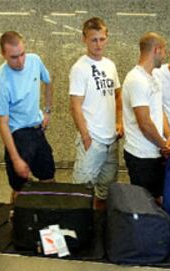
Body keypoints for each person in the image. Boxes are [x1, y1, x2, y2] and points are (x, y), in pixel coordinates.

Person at [0, 31, 55, 202]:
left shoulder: (34, 60)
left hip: (37, 130)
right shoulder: (1, 82)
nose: (20, 62)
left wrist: (47, 110)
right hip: (18, 136)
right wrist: (16, 159)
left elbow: (48, 81)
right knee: (20, 190)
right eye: (13, 57)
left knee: (49, 180)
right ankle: (16, 218)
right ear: (3, 54)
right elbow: (3, 124)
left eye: (22, 54)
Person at [69, 17, 122, 209]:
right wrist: (85, 136)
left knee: (105, 192)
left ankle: (99, 227)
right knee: (81, 192)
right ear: (84, 39)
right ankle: (80, 230)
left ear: (107, 38)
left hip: (111, 140)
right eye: (94, 39)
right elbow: (75, 105)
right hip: (92, 141)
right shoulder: (79, 68)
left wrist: (119, 123)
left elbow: (118, 96)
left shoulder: (110, 65)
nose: (98, 44)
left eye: (102, 39)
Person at [123, 32, 170, 201]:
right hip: (141, 156)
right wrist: (164, 146)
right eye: (164, 50)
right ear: (157, 49)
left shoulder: (153, 77)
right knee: (144, 204)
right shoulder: (136, 79)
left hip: (155, 153)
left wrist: (169, 136)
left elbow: (159, 110)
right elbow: (144, 123)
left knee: (158, 199)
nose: (165, 54)